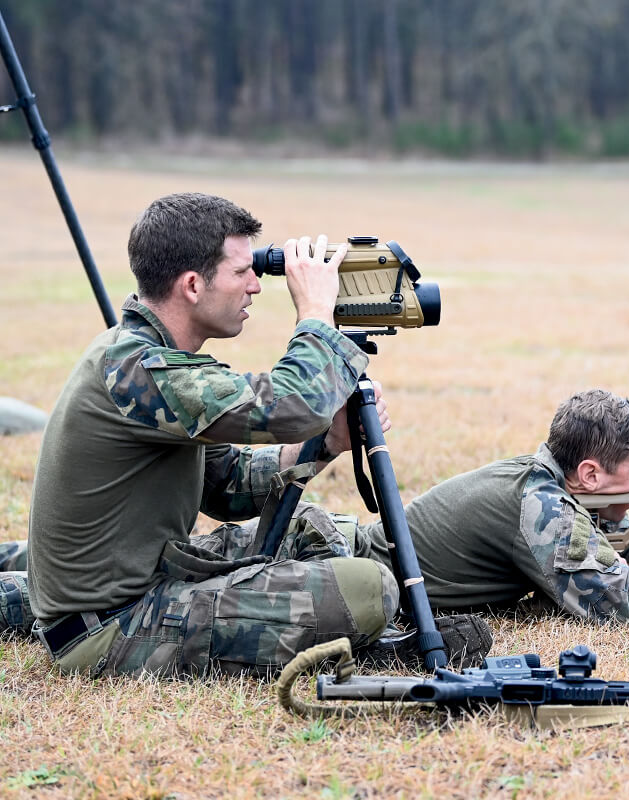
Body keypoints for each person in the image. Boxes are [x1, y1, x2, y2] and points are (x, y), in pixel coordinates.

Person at [20, 192, 489, 677]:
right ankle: (365, 639)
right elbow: (296, 405)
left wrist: (326, 444)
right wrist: (315, 317)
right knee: (372, 588)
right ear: (193, 285)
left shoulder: (149, 357)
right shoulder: (143, 371)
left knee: (310, 525)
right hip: (111, 628)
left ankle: (345, 634)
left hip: (148, 578)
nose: (255, 286)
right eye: (242, 272)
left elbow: (227, 487)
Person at [405, 389, 629, 622]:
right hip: (378, 593)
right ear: (590, 474)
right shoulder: (544, 507)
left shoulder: (561, 482)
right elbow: (627, 608)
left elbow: (625, 543)